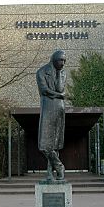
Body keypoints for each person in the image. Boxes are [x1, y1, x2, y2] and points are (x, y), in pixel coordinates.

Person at [36, 50, 67, 181]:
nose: (63, 63)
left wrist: (59, 73)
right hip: (48, 108)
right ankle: (59, 166)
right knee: (43, 144)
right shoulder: (42, 72)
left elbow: (59, 88)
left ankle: (50, 173)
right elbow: (44, 90)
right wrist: (59, 96)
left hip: (59, 108)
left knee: (55, 144)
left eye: (64, 61)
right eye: (61, 60)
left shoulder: (63, 73)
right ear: (53, 59)